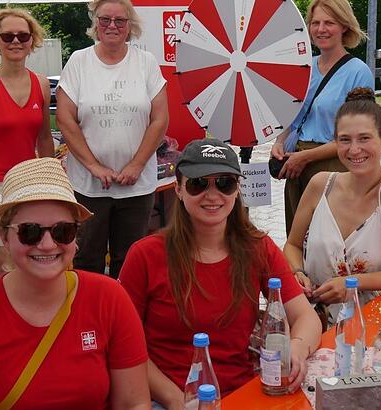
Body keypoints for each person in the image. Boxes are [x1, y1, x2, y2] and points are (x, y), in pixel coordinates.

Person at [0, 158, 150, 410]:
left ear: (75, 237)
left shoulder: (109, 298)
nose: (47, 245)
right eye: (30, 232)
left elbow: (134, 404)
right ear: (5, 237)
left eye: (62, 231)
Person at [119, 139, 322, 407]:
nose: (212, 194)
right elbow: (125, 347)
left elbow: (307, 317)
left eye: (224, 183)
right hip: (168, 397)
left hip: (241, 392)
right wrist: (178, 401)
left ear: (237, 189)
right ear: (178, 189)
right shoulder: (145, 255)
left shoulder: (258, 248)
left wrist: (297, 345)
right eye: (198, 184)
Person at [284, 87, 381, 326]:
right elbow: (293, 245)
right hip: (310, 317)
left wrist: (353, 283)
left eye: (364, 138)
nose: (354, 149)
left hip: (363, 320)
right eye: (345, 140)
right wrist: (298, 272)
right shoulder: (320, 185)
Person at [56, 0, 169, 279]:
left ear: (130, 25)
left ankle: (125, 319)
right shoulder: (79, 62)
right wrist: (94, 166)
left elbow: (159, 119)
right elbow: (65, 119)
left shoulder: (145, 62)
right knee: (87, 260)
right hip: (89, 186)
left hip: (137, 185)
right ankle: (88, 318)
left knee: (130, 262)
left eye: (120, 20)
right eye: (105, 19)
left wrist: (136, 165)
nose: (112, 25)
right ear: (95, 23)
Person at [270, 0, 375, 234]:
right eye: (315, 23)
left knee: (329, 242)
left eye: (329, 22)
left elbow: (358, 137)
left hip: (333, 167)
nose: (321, 29)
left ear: (344, 27)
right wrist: (279, 141)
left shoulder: (357, 72)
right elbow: (291, 115)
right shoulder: (304, 67)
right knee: (297, 240)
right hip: (296, 164)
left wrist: (306, 157)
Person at [0, 8, 54, 276]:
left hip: (29, 186)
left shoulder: (41, 84)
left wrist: (50, 182)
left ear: (32, 42)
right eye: (8, 36)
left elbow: (45, 138)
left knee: (31, 262)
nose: (16, 41)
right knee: (3, 267)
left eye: (23, 36)